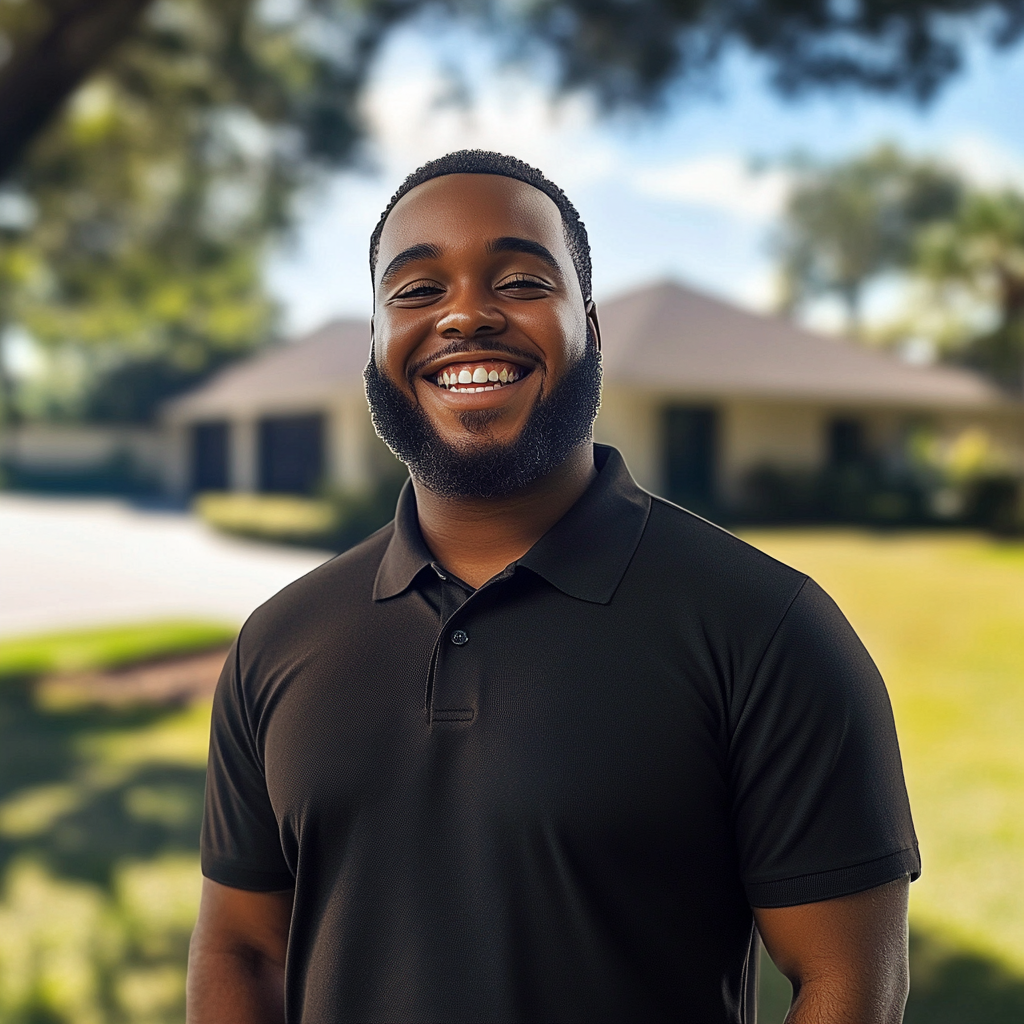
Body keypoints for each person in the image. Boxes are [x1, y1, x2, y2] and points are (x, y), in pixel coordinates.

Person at [187, 150, 920, 1024]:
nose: (466, 313)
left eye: (522, 280)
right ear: (377, 345)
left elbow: (850, 983)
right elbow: (240, 949)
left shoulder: (767, 628)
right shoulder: (278, 641)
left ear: (591, 328)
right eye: (417, 290)